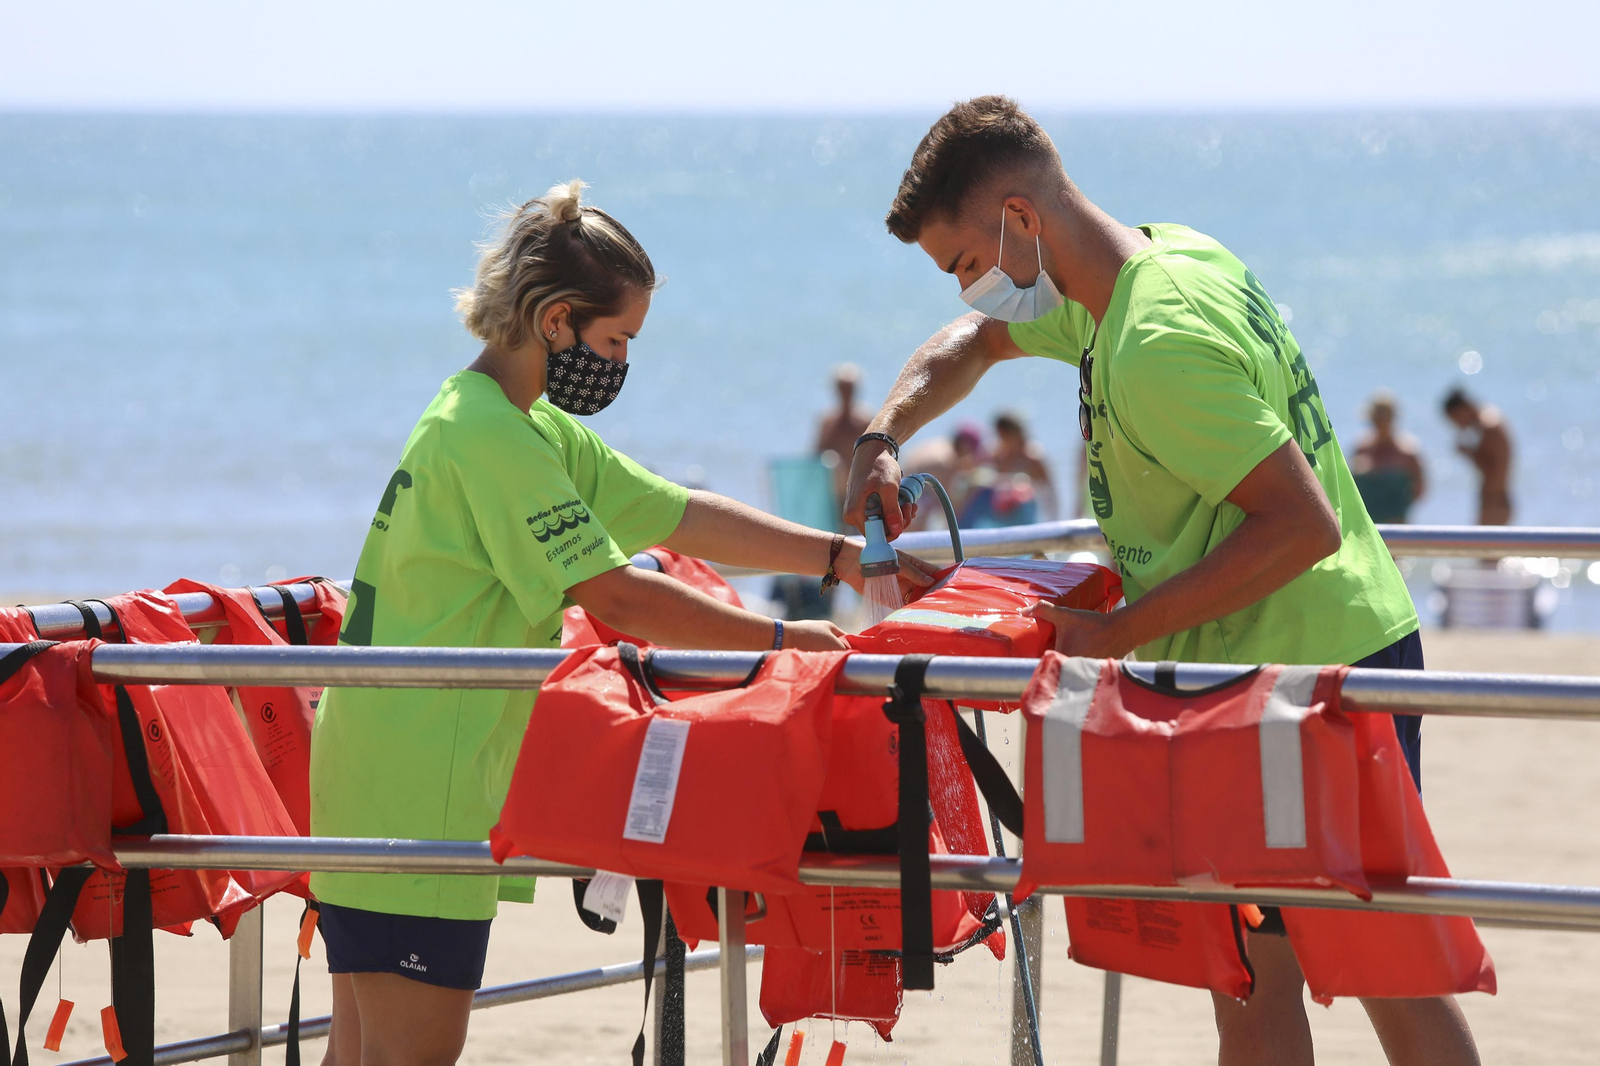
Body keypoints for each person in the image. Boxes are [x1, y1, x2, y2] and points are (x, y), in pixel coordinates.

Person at [842, 97, 1479, 1066]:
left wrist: (1120, 630)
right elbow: (970, 345)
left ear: (1020, 220)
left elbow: (1297, 523)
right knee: (1256, 980)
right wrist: (884, 435)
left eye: (966, 264)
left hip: (1309, 676)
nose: (970, 292)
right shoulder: (1160, 262)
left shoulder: (1154, 342)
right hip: (1304, 655)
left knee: (1375, 976)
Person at [310, 180, 934, 1066]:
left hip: (371, 766)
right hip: (422, 781)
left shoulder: (515, 423)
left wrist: (837, 557)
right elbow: (621, 596)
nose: (621, 363)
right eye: (615, 340)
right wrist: (789, 644)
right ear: (555, 319)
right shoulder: (493, 439)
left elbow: (681, 515)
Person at [1350, 390, 1427, 523]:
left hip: (1397, 523)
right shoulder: (1361, 449)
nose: (1380, 422)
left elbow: (1420, 490)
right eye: (1377, 417)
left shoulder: (1407, 452)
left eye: (1384, 417)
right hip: (1366, 524)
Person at [1443, 388, 1514, 526]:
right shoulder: (1491, 417)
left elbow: (1490, 469)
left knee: (1486, 547)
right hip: (1498, 499)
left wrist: (1468, 452)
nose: (1458, 425)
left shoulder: (1488, 426)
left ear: (1462, 409)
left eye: (1456, 419)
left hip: (1495, 502)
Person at [814, 363, 874, 503]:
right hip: (834, 493)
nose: (846, 393)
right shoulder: (828, 422)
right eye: (842, 388)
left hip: (863, 489)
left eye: (849, 389)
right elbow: (815, 458)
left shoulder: (866, 420)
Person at [990, 410, 1058, 521]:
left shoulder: (1033, 457)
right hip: (1005, 515)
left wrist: (1053, 519)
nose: (1001, 440)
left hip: (1031, 514)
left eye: (1004, 436)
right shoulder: (999, 456)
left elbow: (1049, 492)